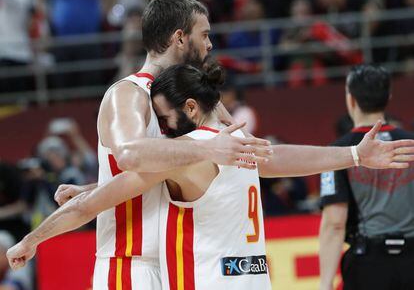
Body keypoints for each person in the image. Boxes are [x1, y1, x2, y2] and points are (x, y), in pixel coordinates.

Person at [7, 64, 414, 288]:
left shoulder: (188, 152)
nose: (162, 129)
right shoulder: (238, 143)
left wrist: (32, 238)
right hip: (254, 276)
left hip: (209, 280)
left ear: (188, 107)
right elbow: (286, 158)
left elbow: (91, 208)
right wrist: (354, 155)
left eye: (165, 118)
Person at [30, 0, 273, 290]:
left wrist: (96, 185)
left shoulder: (191, 98)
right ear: (179, 38)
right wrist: (206, 147)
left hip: (179, 264)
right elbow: (130, 156)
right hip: (131, 265)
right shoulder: (128, 93)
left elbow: (162, 173)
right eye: (204, 34)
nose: (210, 44)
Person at [319, 64, 414, 290]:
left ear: (350, 99)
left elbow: (334, 223)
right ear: (388, 96)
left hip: (369, 264)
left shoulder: (336, 152)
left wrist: (325, 284)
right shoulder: (411, 142)